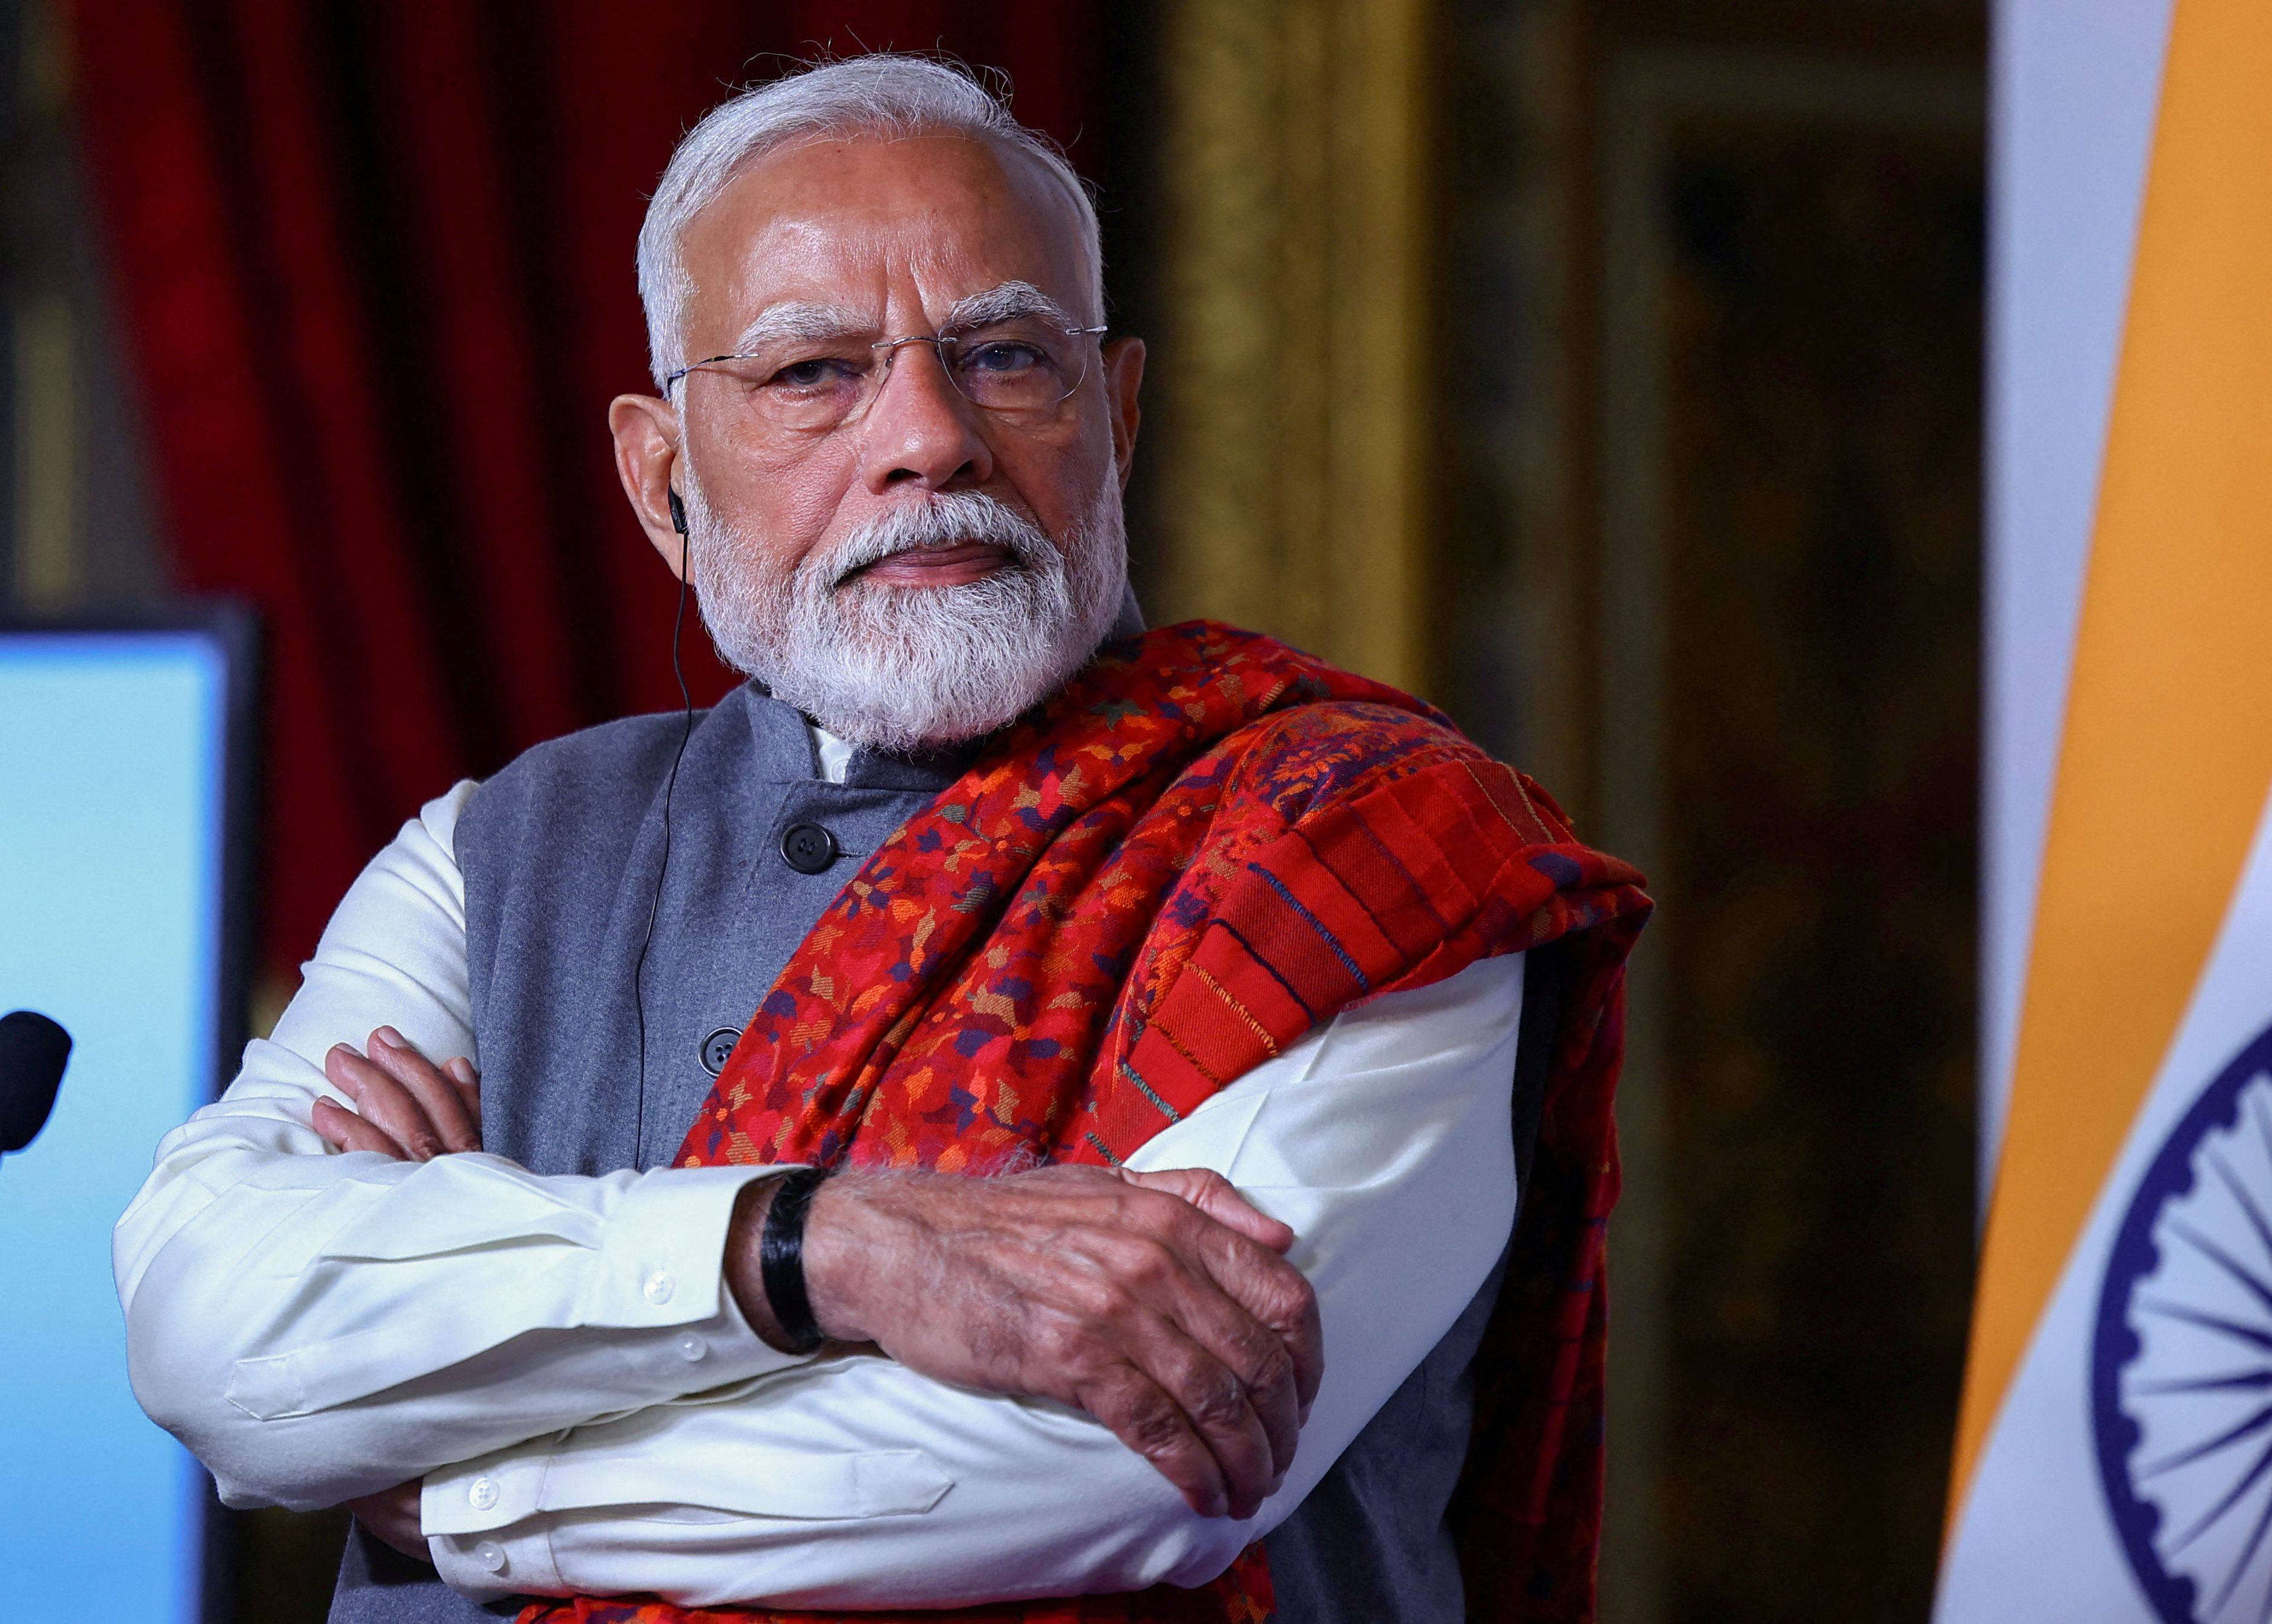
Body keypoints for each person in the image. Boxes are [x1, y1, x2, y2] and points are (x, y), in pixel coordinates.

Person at [114, 54, 1646, 1624]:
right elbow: (202, 1325)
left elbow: (1129, 1469)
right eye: (812, 375)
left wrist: (446, 1456)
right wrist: (820, 1249)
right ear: (662, 481)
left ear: (1115, 417)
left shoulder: (1366, 849)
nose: (927, 438)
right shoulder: (494, 858)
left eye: (1002, 357)